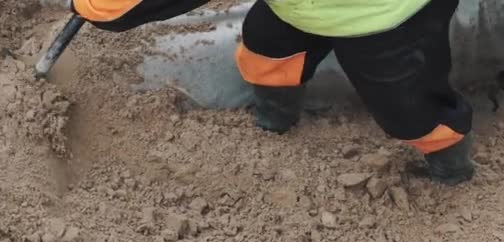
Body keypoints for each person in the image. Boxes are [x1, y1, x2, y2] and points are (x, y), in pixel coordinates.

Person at [64, 0, 475, 185]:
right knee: (266, 46)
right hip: (305, 7)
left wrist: (91, 4)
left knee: (409, 105)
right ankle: (276, 112)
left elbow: (119, 8)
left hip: (387, 16)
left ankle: (449, 162)